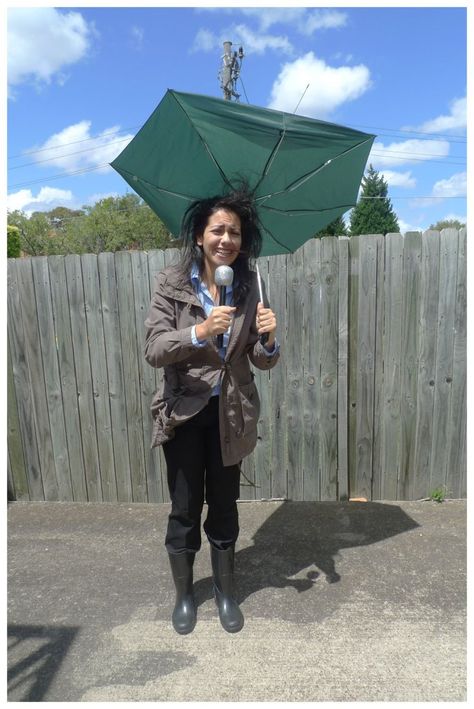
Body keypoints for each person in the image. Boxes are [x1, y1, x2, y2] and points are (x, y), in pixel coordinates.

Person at [144, 186, 280, 635]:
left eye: (235, 232)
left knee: (224, 505)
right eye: (218, 230)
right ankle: (185, 595)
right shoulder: (171, 283)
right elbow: (154, 349)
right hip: (184, 412)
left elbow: (260, 361)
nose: (227, 239)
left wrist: (268, 340)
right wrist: (200, 330)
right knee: (184, 507)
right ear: (200, 237)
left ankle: (224, 592)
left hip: (231, 413)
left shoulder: (249, 285)